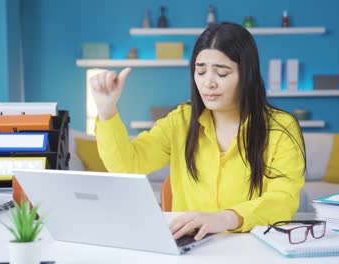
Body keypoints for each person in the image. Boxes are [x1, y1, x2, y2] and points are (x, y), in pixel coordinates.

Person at [90, 22, 305, 241]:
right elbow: (127, 165)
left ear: (246, 75)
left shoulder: (280, 128)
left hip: (254, 247)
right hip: (191, 248)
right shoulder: (181, 120)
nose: (208, 83)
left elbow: (283, 199)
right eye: (200, 71)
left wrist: (226, 218)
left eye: (221, 73)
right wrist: (107, 110)